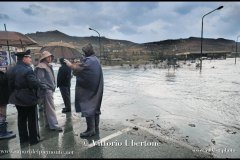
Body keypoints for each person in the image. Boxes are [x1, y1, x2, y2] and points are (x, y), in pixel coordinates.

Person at [64, 43, 104, 137]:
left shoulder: (89, 60)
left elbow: (77, 68)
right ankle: (95, 128)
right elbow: (84, 70)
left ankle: (91, 130)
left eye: (84, 52)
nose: (83, 54)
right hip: (97, 88)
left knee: (88, 107)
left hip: (89, 91)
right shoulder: (95, 59)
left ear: (87, 52)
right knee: (95, 108)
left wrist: (70, 64)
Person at [8, 50, 44, 145]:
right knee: (32, 119)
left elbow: (10, 84)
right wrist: (40, 84)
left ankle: (23, 139)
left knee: (21, 119)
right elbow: (34, 84)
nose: (30, 59)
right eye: (29, 57)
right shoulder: (28, 70)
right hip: (28, 98)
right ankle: (34, 139)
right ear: (24, 58)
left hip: (17, 97)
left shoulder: (11, 69)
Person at [34, 51, 62, 132]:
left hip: (48, 90)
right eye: (48, 57)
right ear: (44, 58)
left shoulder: (47, 66)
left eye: (50, 56)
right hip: (46, 91)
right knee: (50, 108)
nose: (50, 58)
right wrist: (47, 88)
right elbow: (40, 80)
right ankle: (54, 125)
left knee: (47, 108)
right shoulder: (41, 66)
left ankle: (48, 124)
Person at [0, 69, 16, 140]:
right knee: (2, 115)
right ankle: (2, 133)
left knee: (2, 115)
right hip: (1, 100)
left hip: (2, 99)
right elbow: (4, 82)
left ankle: (4, 131)